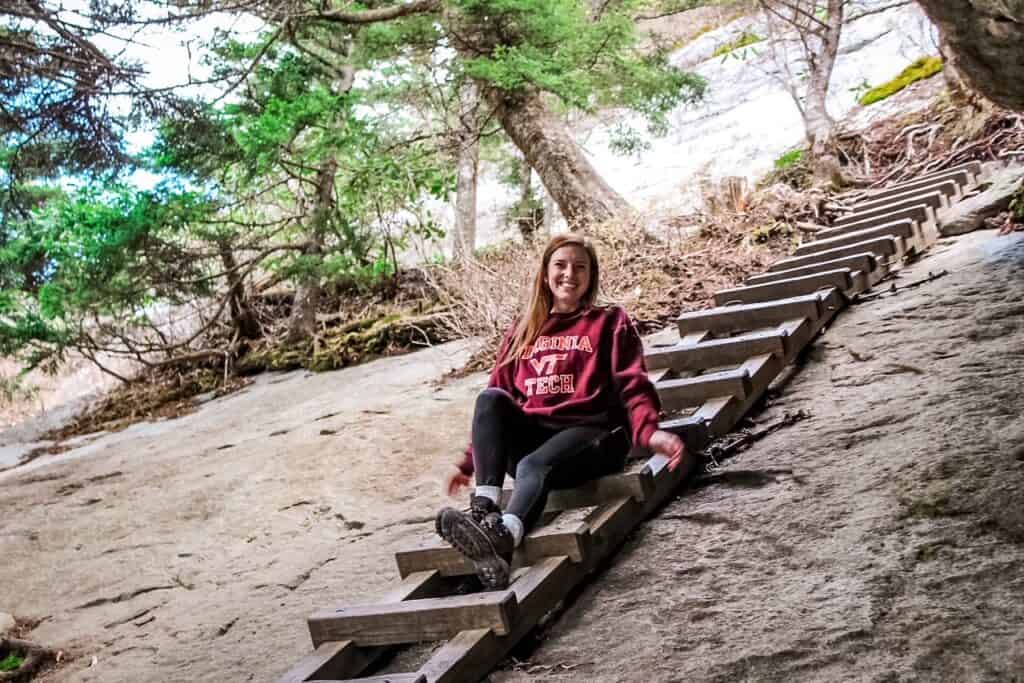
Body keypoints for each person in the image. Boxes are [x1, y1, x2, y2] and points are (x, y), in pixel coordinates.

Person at [435, 233, 685, 590]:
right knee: (489, 398)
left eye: (580, 267)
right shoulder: (523, 330)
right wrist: (469, 465)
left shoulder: (609, 321)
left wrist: (649, 432)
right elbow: (496, 407)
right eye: (561, 265)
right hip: (536, 435)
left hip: (591, 436)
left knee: (531, 466)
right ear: (545, 273)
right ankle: (486, 516)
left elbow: (633, 382)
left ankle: (502, 536)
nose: (570, 274)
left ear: (591, 276)